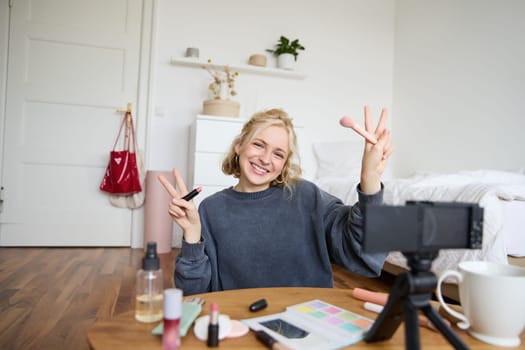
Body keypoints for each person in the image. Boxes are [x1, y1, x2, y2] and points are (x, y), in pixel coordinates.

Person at [159, 107, 393, 295]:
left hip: (307, 321)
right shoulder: (211, 209)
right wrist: (191, 233)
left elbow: (363, 250)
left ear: (285, 163)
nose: (265, 159)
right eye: (259, 145)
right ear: (239, 145)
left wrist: (369, 180)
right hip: (241, 324)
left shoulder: (308, 196)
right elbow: (193, 292)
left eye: (278, 153)